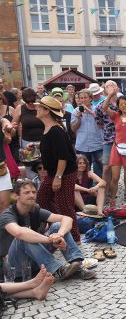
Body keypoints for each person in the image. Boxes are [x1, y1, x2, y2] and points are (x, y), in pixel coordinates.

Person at [0, 179, 95, 281]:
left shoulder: (34, 209)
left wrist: (59, 235)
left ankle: (76, 265)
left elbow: (67, 219)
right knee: (24, 236)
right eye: (27, 192)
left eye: (33, 192)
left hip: (34, 260)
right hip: (14, 267)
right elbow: (19, 233)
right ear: (15, 196)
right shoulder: (7, 215)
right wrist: (49, 239)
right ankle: (58, 269)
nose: (32, 195)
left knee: (58, 226)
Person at [35, 96, 80, 243]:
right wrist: (36, 146)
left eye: (39, 107)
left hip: (64, 174)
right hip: (53, 173)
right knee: (42, 198)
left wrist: (58, 177)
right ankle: (59, 224)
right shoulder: (48, 128)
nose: (37, 109)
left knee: (66, 207)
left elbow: (63, 157)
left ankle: (74, 239)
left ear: (47, 111)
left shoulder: (56, 130)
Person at [12, 88, 45, 178]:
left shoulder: (40, 106)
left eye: (32, 100)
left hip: (43, 142)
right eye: (27, 101)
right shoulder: (20, 108)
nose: (30, 103)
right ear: (23, 99)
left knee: (45, 167)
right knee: (30, 168)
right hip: (27, 143)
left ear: (35, 97)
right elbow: (13, 125)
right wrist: (12, 129)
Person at [71, 89, 104, 176]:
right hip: (82, 145)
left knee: (100, 169)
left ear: (90, 98)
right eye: (81, 98)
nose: (83, 100)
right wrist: (78, 118)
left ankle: (100, 187)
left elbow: (102, 125)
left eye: (85, 97)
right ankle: (86, 188)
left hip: (97, 144)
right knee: (83, 171)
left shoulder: (97, 109)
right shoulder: (75, 111)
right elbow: (73, 129)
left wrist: (92, 114)